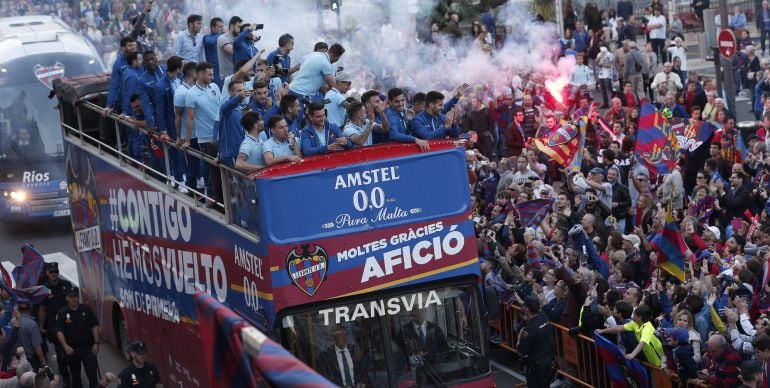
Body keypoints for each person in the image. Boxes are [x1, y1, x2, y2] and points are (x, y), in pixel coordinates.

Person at [183, 62, 221, 202]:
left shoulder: (215, 86)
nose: (212, 77)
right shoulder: (191, 94)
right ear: (200, 74)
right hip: (205, 139)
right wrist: (187, 140)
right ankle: (211, 199)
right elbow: (190, 118)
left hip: (221, 135)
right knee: (209, 171)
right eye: (209, 74)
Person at [56, 287, 100, 388]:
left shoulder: (86, 309)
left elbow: (94, 326)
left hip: (87, 348)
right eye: (71, 297)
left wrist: (96, 343)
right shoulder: (62, 313)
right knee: (76, 377)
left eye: (75, 296)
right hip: (72, 350)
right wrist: (65, 346)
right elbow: (59, 332)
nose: (73, 299)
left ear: (78, 296)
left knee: (92, 374)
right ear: (67, 298)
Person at [38, 262, 74, 383]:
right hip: (54, 325)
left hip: (70, 324)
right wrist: (41, 326)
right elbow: (42, 309)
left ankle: (75, 375)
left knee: (74, 353)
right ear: (47, 273)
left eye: (56, 271)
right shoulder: (44, 289)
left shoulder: (67, 285)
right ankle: (66, 379)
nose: (54, 274)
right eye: (51, 272)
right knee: (61, 354)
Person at [517, 295, 554, 387]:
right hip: (547, 363)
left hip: (536, 367)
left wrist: (519, 337)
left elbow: (521, 350)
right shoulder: (544, 317)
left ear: (527, 309)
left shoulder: (530, 328)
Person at [217, 80, 249, 168]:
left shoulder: (243, 106)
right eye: (239, 91)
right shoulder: (227, 108)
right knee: (233, 181)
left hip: (241, 152)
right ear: (231, 92)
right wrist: (239, 97)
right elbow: (225, 107)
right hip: (230, 154)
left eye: (243, 90)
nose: (242, 93)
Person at [103, 37, 137, 117]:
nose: (133, 48)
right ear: (123, 48)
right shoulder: (118, 64)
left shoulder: (140, 59)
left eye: (134, 45)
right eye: (130, 45)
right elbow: (114, 85)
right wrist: (109, 105)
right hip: (128, 104)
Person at [216, 16, 242, 81]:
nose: (240, 30)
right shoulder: (222, 38)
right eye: (238, 27)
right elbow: (234, 51)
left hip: (239, 76)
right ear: (232, 26)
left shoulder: (240, 38)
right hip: (227, 78)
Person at [202, 17, 224, 86]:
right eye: (220, 27)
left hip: (224, 71)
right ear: (213, 27)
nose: (222, 29)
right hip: (213, 72)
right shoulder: (207, 37)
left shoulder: (224, 38)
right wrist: (221, 34)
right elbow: (210, 42)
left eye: (222, 27)